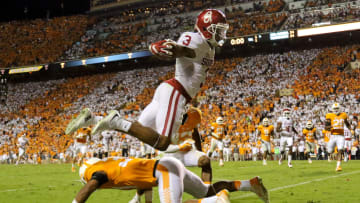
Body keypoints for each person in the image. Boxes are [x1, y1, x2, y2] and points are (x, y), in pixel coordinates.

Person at [65, 9, 230, 152]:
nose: (222, 34)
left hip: (170, 90)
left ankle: (92, 119)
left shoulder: (209, 48)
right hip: (177, 92)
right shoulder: (196, 39)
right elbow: (185, 51)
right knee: (163, 142)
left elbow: (191, 55)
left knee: (138, 130)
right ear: (205, 28)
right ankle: (115, 120)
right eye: (218, 30)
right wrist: (171, 48)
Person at [72, 156, 269, 203]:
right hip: (169, 165)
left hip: (164, 172)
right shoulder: (112, 164)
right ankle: (249, 184)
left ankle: (216, 201)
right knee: (207, 189)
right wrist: (139, 200)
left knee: (210, 197)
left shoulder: (94, 172)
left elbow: (91, 184)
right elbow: (141, 181)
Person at [325, 102, 351, 171]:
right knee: (330, 150)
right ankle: (332, 155)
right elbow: (326, 127)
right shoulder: (329, 115)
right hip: (333, 136)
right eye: (335, 108)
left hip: (341, 136)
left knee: (340, 149)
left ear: (339, 108)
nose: (336, 110)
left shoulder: (343, 115)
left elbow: (347, 123)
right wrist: (330, 127)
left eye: (337, 108)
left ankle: (338, 166)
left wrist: (349, 128)